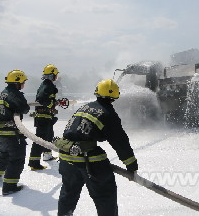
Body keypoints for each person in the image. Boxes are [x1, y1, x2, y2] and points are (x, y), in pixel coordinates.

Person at [55, 79, 138, 216]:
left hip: (66, 156)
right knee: (105, 195)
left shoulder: (84, 107)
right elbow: (120, 141)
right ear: (115, 95)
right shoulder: (107, 113)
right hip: (88, 160)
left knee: (68, 193)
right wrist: (131, 165)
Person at [0, 70, 30, 195]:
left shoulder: (2, 94)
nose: (24, 84)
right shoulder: (14, 94)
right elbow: (23, 108)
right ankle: (10, 186)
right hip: (12, 132)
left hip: (2, 131)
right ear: (17, 82)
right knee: (17, 158)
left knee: (4, 154)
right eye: (23, 82)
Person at [28, 64, 60, 171]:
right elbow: (42, 100)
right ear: (52, 75)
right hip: (43, 116)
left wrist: (55, 102)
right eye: (55, 75)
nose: (56, 77)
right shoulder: (47, 86)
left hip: (47, 116)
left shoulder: (46, 85)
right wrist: (53, 104)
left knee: (49, 135)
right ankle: (34, 163)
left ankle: (47, 155)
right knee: (40, 139)